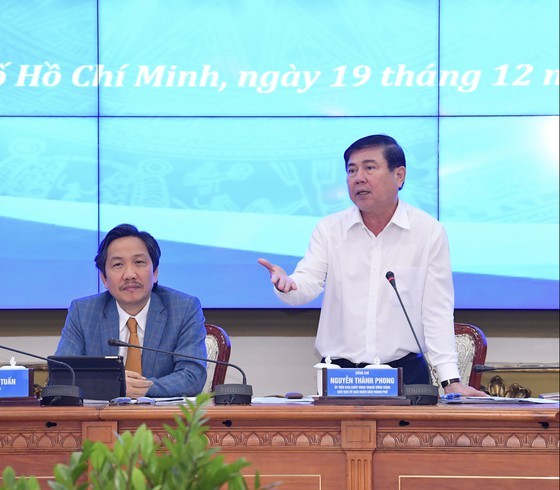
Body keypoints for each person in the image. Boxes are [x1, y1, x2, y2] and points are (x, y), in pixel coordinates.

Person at [258, 134, 486, 396]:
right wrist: (289, 285)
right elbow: (307, 283)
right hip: (340, 376)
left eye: (369, 167)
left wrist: (450, 381)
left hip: (405, 374)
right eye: (351, 170)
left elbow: (436, 310)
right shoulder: (330, 229)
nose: (358, 178)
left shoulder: (428, 232)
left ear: (399, 176)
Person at [55, 224, 207, 398]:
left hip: (162, 422)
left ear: (155, 272)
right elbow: (64, 375)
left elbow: (192, 377)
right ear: (104, 278)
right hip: (102, 420)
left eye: (139, 262)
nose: (129, 274)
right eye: (118, 264)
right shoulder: (83, 312)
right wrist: (114, 386)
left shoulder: (184, 308)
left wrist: (141, 388)